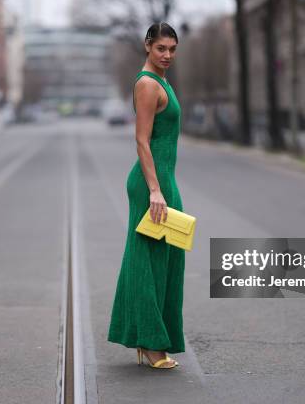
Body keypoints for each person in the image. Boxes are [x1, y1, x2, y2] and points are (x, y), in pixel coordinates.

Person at [107, 22, 185, 369]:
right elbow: (142, 139)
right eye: (161, 49)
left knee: (164, 260)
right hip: (151, 183)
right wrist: (155, 190)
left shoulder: (162, 81)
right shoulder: (147, 84)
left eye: (172, 49)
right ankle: (151, 344)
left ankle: (150, 337)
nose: (167, 55)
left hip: (164, 179)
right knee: (149, 263)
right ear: (147, 46)